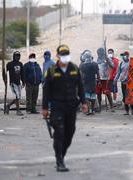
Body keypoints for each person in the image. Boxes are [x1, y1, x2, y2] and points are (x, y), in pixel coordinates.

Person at [42, 44, 87, 172]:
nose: (64, 57)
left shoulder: (74, 68)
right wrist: (45, 108)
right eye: (62, 55)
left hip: (71, 107)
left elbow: (81, 86)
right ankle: (59, 160)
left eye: (66, 54)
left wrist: (84, 102)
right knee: (59, 133)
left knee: (69, 133)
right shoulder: (51, 70)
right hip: (57, 106)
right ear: (57, 56)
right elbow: (46, 90)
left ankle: (61, 154)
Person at [114, 51, 133, 115]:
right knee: (125, 97)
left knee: (131, 96)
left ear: (128, 55)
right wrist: (115, 80)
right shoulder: (121, 64)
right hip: (123, 82)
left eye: (124, 55)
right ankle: (127, 111)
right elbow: (118, 73)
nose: (123, 56)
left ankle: (132, 109)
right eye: (122, 55)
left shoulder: (131, 62)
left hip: (130, 82)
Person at [79, 50, 100, 115]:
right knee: (93, 96)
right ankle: (92, 109)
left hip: (85, 82)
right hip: (93, 82)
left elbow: (80, 75)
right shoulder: (95, 64)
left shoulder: (82, 65)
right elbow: (98, 74)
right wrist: (98, 81)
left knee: (86, 97)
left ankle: (89, 109)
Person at [5, 51, 25, 116]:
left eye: (19, 56)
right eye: (16, 56)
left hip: (18, 83)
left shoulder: (20, 64)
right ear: (14, 56)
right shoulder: (10, 64)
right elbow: (5, 71)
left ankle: (8, 105)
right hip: (13, 83)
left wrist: (23, 82)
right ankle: (18, 111)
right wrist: (4, 79)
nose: (17, 57)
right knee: (16, 97)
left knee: (18, 98)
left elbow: (22, 74)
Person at [96, 47, 115, 112]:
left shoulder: (107, 59)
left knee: (107, 92)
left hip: (105, 78)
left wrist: (108, 60)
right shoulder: (98, 60)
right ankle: (100, 107)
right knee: (98, 93)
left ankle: (111, 106)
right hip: (98, 79)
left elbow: (113, 66)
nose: (99, 54)